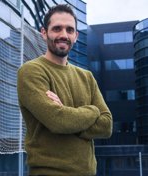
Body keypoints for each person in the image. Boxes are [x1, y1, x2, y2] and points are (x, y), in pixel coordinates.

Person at [17, 4, 112, 176]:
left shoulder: (87, 77)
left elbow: (106, 125)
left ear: (76, 36)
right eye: (57, 28)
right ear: (44, 32)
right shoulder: (31, 71)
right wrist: (92, 110)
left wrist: (68, 115)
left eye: (69, 30)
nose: (63, 35)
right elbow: (58, 121)